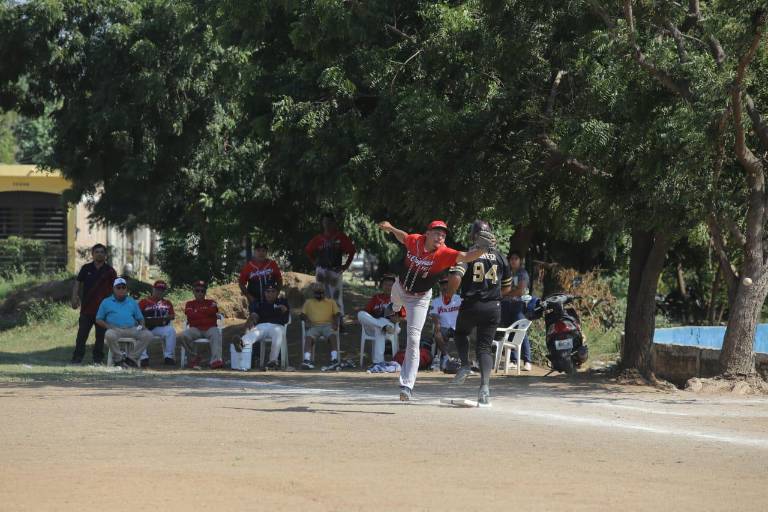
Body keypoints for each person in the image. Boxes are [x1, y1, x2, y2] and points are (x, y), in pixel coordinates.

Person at [377, 219, 491, 401]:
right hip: (400, 288)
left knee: (413, 339)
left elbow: (465, 256)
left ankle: (407, 385)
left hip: (420, 298)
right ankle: (396, 307)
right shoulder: (415, 240)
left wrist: (483, 249)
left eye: (444, 234)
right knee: (395, 301)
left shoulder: (444, 253)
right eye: (437, 233)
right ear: (427, 233)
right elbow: (403, 236)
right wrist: (390, 228)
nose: (441, 236)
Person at [448, 220, 512, 406]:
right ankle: (484, 388)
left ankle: (465, 365)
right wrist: (492, 295)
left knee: (460, 333)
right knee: (484, 348)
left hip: (471, 304)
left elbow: (456, 278)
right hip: (493, 307)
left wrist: (449, 293)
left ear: (473, 236)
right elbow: (507, 288)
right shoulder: (501, 257)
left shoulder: (469, 255)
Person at [70, 243, 118, 364]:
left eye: (102, 252)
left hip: (103, 311)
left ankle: (98, 360)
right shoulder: (86, 268)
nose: (99, 254)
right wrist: (74, 297)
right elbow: (77, 283)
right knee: (81, 336)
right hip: (86, 309)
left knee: (100, 337)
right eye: (97, 252)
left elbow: (116, 289)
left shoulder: (110, 271)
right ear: (92, 254)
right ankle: (77, 359)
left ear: (105, 255)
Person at [95, 277, 154, 368]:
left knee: (148, 335)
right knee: (109, 334)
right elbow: (98, 319)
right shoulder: (106, 302)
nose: (121, 289)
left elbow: (140, 318)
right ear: (113, 289)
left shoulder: (131, 301)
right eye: (118, 287)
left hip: (131, 328)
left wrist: (142, 325)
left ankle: (131, 359)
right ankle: (118, 359)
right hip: (115, 329)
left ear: (126, 289)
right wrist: (108, 326)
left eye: (123, 287)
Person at [305, 213, 356, 313]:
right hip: (321, 271)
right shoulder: (318, 238)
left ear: (333, 223)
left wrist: (345, 266)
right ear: (322, 223)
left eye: (329, 222)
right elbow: (308, 250)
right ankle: (324, 319)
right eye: (324, 222)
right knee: (321, 296)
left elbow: (352, 251)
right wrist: (314, 262)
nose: (326, 224)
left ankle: (339, 321)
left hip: (335, 270)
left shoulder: (340, 237)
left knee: (336, 297)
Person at [237, 284, 290, 369]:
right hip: (262, 326)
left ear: (277, 293)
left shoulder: (282, 302)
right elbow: (255, 316)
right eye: (268, 291)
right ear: (264, 293)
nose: (270, 293)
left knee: (277, 333)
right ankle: (241, 343)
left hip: (277, 325)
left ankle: (273, 361)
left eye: (273, 291)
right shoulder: (260, 304)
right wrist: (252, 319)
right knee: (254, 332)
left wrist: (280, 309)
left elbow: (286, 317)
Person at [357, 274, 403, 364]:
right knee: (361, 314)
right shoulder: (376, 298)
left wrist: (396, 318)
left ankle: (378, 363)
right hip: (375, 325)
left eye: (390, 285)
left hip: (391, 326)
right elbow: (366, 313)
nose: (388, 287)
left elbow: (402, 318)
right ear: (382, 286)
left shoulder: (397, 300)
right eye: (386, 284)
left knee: (381, 327)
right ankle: (383, 326)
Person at [178, 281, 224, 369]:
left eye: (202, 291)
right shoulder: (189, 304)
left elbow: (213, 311)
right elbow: (190, 315)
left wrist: (197, 312)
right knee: (183, 336)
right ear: (194, 292)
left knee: (216, 333)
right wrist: (206, 312)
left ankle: (216, 360)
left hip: (210, 328)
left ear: (205, 292)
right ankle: (194, 358)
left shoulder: (211, 302)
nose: (200, 293)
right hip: (195, 329)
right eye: (197, 290)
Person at [501, 250, 532, 371]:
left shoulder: (522, 273)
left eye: (516, 259)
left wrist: (505, 294)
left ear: (520, 261)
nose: (513, 261)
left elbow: (521, 290)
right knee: (509, 332)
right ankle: (513, 361)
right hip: (505, 306)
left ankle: (527, 361)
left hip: (519, 305)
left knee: (520, 331)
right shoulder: (506, 273)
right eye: (511, 258)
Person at [300, 282, 342, 369]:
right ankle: (307, 360)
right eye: (317, 293)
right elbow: (302, 314)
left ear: (324, 292)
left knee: (332, 336)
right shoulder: (308, 302)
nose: (319, 294)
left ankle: (334, 359)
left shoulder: (331, 302)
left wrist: (335, 322)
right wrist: (306, 319)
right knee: (308, 337)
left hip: (327, 325)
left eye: (321, 292)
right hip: (314, 325)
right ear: (314, 293)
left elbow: (337, 313)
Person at [138, 280, 177, 366]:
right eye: (158, 289)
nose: (160, 291)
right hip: (146, 327)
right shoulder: (144, 301)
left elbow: (172, 315)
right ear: (153, 289)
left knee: (171, 330)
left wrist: (165, 317)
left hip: (159, 327)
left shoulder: (167, 303)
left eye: (162, 290)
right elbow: (137, 315)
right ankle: (143, 358)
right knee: (139, 331)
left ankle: (168, 357)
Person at [429, 278, 462, 370]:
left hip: (457, 327)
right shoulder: (436, 301)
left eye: (447, 284)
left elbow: (465, 312)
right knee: (437, 332)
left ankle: (463, 360)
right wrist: (437, 323)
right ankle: (446, 356)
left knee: (466, 332)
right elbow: (433, 314)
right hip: (443, 328)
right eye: (442, 284)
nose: (444, 287)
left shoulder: (459, 299)